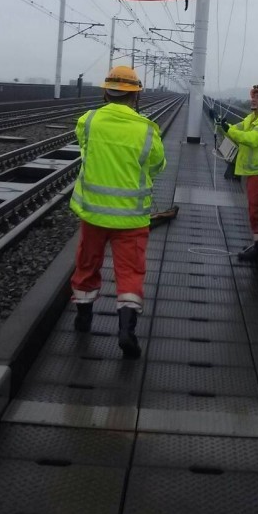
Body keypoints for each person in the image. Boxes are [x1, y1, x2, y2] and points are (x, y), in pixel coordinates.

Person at [69, 65, 166, 357]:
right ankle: (126, 331)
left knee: (87, 264)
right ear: (136, 95)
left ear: (105, 92)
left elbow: (85, 148)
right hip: (132, 218)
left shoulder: (88, 121)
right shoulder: (147, 130)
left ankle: (83, 317)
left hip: (93, 214)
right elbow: (157, 165)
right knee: (130, 272)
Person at [218, 84, 258, 264]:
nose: (254, 99)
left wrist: (229, 130)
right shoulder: (252, 119)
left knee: (257, 211)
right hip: (254, 172)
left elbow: (251, 139)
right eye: (253, 96)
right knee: (255, 209)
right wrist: (223, 125)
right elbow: (237, 129)